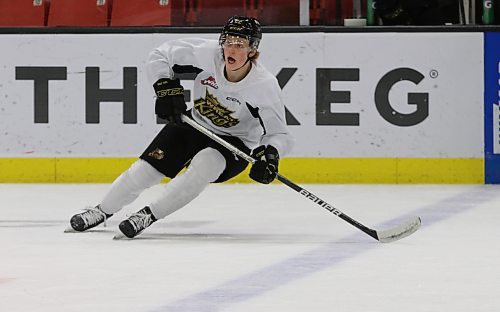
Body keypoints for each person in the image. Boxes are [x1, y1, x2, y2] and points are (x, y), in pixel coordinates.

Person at [68, 16, 294, 238]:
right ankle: (101, 210)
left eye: (240, 44)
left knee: (204, 164)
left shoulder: (264, 85)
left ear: (253, 51)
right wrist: (164, 87)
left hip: (235, 142)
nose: (231, 50)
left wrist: (270, 155)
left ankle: (148, 215)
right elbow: (159, 55)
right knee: (146, 169)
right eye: (228, 42)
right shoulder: (207, 55)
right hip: (195, 124)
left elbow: (278, 133)